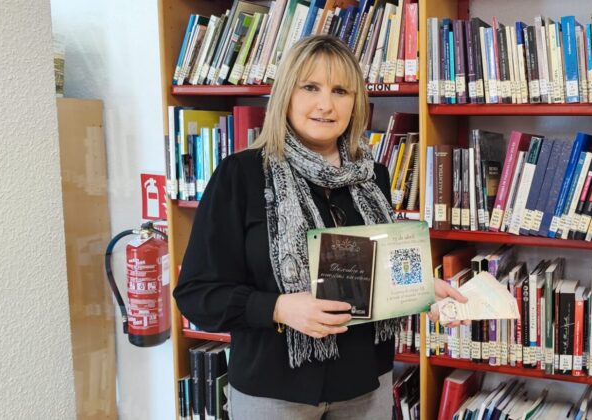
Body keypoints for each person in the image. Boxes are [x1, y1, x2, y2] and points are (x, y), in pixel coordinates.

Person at [173, 35, 465, 419]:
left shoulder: (372, 176)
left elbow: (375, 274)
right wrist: (278, 308)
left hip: (366, 385)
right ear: (286, 95)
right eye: (310, 87)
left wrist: (422, 288)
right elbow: (197, 293)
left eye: (341, 90)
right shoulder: (240, 176)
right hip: (272, 392)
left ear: (355, 102)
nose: (326, 104)